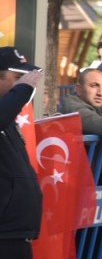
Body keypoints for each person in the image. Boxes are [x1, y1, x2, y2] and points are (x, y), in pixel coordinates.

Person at [0, 47, 43, 258]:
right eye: (17, 78)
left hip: (16, 230)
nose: (24, 83)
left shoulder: (9, 117)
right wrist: (22, 90)